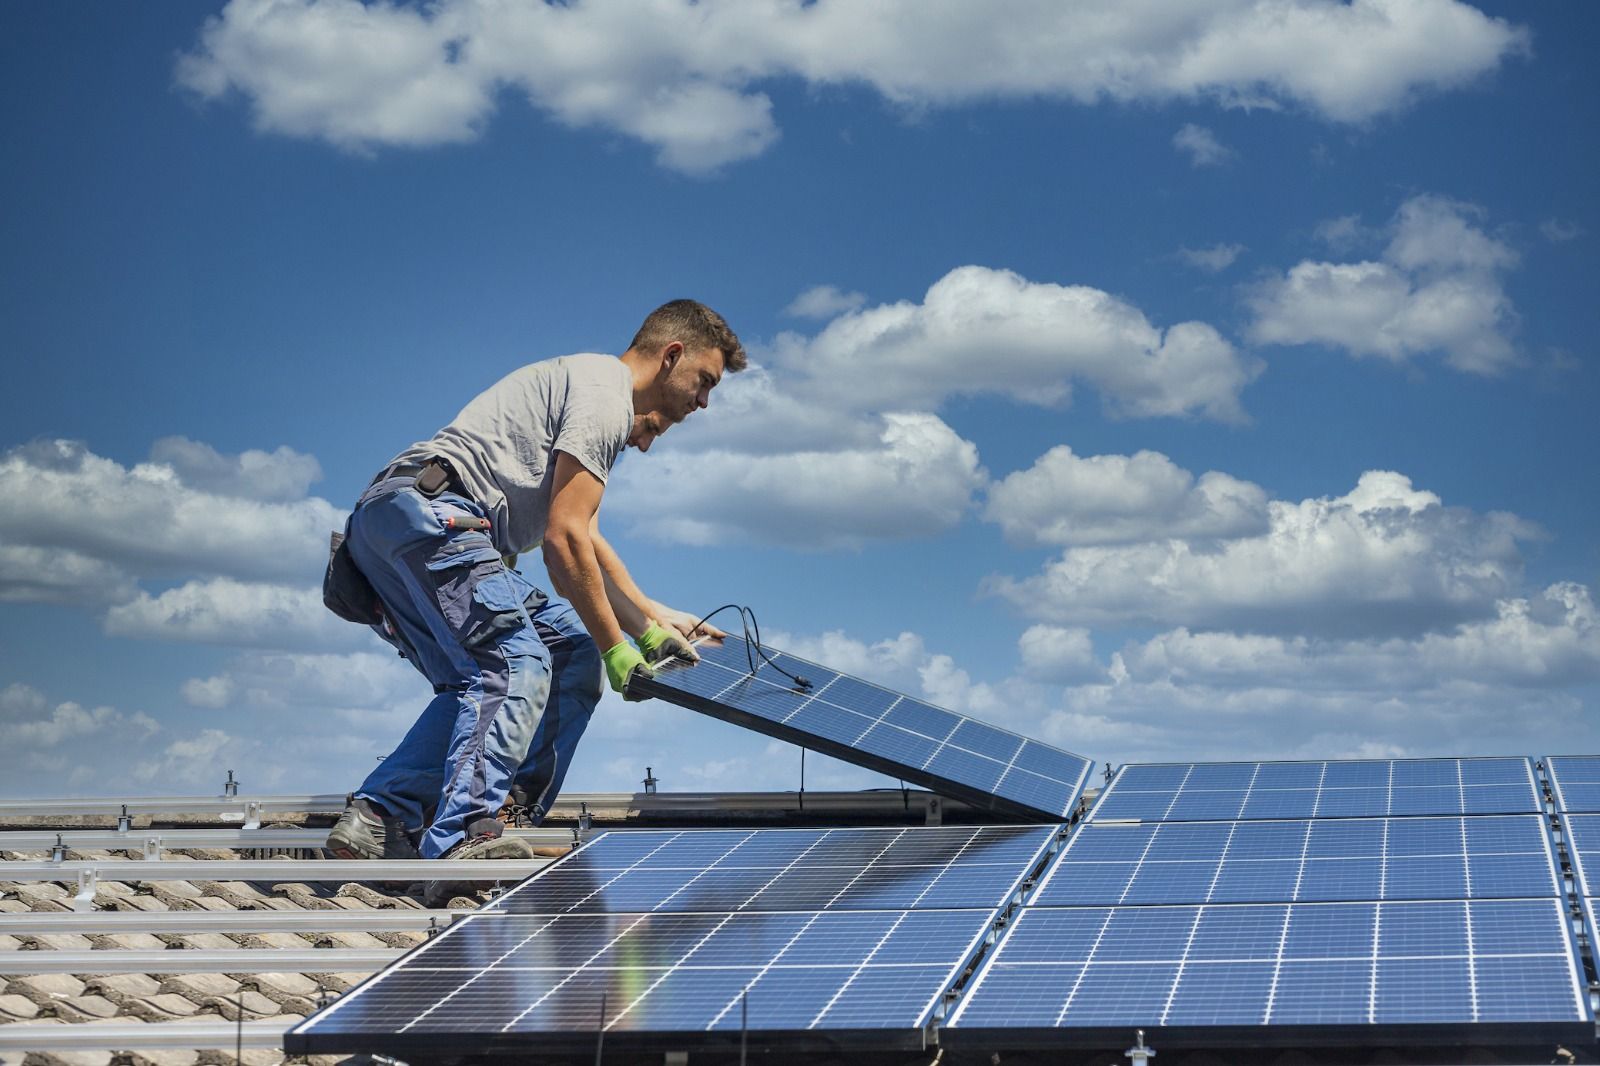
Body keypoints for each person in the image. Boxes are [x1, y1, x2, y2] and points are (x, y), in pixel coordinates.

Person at [323, 300, 744, 900]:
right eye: (704, 382)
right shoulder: (605, 393)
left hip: (397, 525)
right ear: (672, 355)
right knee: (515, 662)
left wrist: (652, 617)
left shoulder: (587, 389)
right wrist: (619, 648)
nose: (703, 402)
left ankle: (379, 818)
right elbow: (563, 541)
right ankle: (469, 832)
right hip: (437, 517)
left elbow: (586, 539)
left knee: (562, 656)